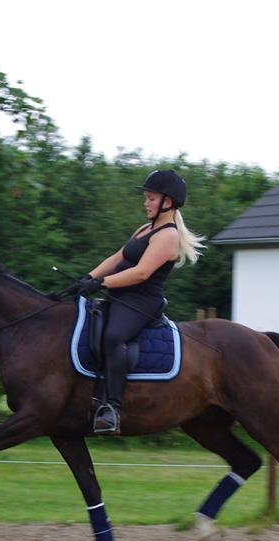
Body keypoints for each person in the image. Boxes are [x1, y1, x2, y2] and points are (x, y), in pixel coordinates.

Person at [68, 169, 204, 434]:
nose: (146, 203)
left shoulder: (168, 235)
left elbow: (141, 273)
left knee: (113, 337)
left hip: (142, 302)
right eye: (147, 197)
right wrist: (86, 277)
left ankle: (111, 409)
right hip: (121, 296)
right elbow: (117, 258)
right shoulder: (146, 228)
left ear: (168, 201)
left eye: (151, 198)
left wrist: (101, 284)